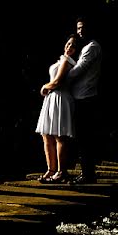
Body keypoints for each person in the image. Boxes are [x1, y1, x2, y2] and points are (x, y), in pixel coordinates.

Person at [44, 16, 103, 184]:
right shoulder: (85, 48)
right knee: (79, 137)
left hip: (85, 96)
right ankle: (82, 172)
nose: (80, 31)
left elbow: (77, 71)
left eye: (83, 27)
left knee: (82, 137)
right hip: (78, 96)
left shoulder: (92, 48)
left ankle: (86, 174)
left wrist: (57, 81)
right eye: (78, 28)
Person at [35, 34, 82, 183]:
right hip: (52, 98)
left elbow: (57, 81)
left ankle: (61, 171)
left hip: (60, 97)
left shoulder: (68, 61)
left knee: (59, 135)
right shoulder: (62, 59)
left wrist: (44, 88)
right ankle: (51, 169)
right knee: (46, 134)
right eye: (68, 44)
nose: (69, 47)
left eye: (73, 46)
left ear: (76, 50)